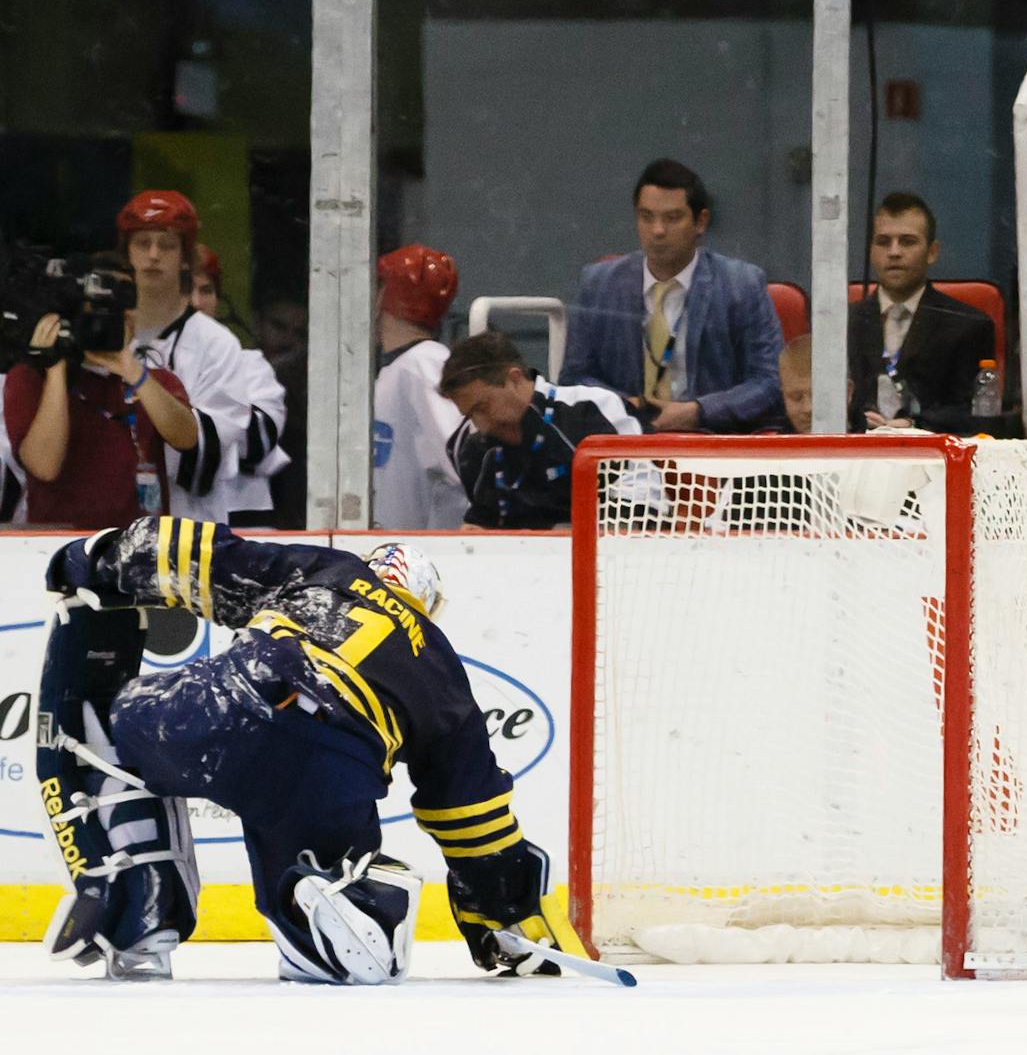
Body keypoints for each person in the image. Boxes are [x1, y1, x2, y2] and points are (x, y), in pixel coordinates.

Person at [36, 522, 580, 982]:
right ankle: (337, 897)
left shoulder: (333, 571)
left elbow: (198, 554)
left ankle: (139, 905)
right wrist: (501, 910)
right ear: (427, 604)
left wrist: (93, 559)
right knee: (314, 882)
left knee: (108, 720)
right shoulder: (441, 668)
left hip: (228, 704)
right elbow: (472, 817)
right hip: (332, 771)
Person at [561, 159, 785, 435]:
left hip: (711, 442)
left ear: (700, 222)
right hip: (625, 444)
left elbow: (768, 382)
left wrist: (700, 411)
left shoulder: (742, 285)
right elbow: (574, 378)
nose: (657, 231)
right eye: (646, 217)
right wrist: (619, 404)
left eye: (672, 218)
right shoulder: (598, 284)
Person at [118, 191, 288, 526]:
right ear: (126, 253)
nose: (153, 255)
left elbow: (205, 457)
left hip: (190, 534)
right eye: (142, 243)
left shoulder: (216, 344)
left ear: (185, 257)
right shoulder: (102, 332)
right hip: (110, 524)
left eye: (166, 245)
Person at [4, 303, 197, 527]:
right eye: (99, 309)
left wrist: (133, 371)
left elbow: (188, 438)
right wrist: (55, 366)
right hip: (59, 546)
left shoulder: (154, 379)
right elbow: (44, 467)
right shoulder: (30, 378)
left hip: (139, 543)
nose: (112, 319)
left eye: (124, 306)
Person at [439, 332, 641, 529]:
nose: (481, 426)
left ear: (515, 379)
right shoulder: (470, 449)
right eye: (470, 415)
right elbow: (482, 523)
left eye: (482, 407)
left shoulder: (592, 408)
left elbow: (642, 505)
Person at [846, 192, 998, 434]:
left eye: (907, 241)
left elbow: (976, 414)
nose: (894, 252)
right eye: (883, 242)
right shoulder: (845, 323)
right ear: (871, 251)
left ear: (932, 252)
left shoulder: (969, 327)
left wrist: (913, 426)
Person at [371, 244, 467, 531]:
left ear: (380, 298)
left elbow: (465, 464)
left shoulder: (426, 365)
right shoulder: (400, 368)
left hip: (425, 557)